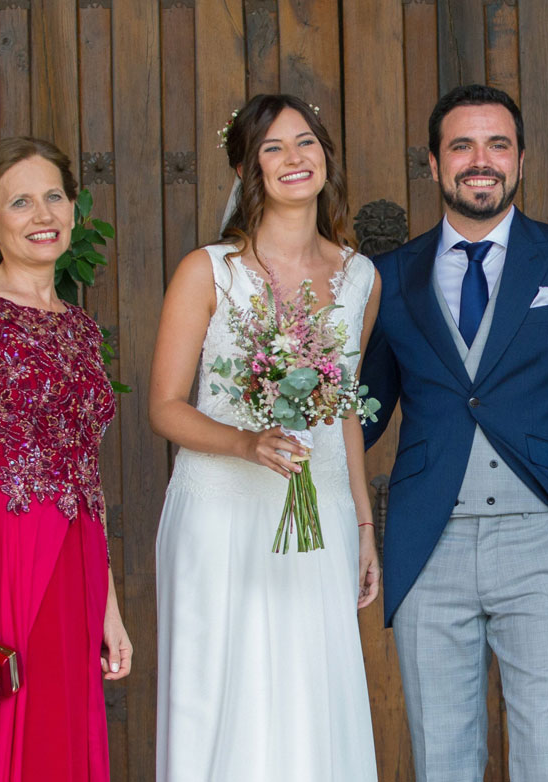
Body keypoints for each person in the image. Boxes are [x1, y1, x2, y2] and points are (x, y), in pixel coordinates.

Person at [361, 84, 548, 782]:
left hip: (542, 540)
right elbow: (364, 409)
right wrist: (287, 453)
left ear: (520, 160)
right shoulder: (390, 276)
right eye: (461, 145)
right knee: (442, 755)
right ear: (433, 163)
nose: (479, 160)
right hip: (429, 544)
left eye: (497, 144)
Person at [149, 93, 380, 781]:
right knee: (225, 699)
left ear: (326, 156)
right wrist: (246, 444)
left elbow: (342, 409)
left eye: (304, 142)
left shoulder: (360, 277)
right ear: (249, 169)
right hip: (221, 511)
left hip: (321, 512)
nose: (292, 159)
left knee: (313, 696)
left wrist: (364, 523)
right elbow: (164, 407)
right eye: (272, 148)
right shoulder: (208, 270)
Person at [0, 136, 132, 781]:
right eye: (20, 202)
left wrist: (110, 607)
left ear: (72, 209)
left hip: (76, 551)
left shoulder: (79, 327)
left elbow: (84, 470)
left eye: (54, 197)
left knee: (60, 732)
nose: (43, 215)